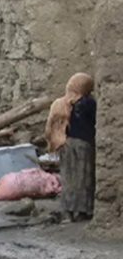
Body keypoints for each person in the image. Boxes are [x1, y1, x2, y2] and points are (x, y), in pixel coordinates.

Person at [45, 72, 97, 222]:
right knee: (83, 178)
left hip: (64, 145)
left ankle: (68, 212)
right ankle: (82, 211)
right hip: (83, 145)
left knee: (68, 178)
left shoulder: (60, 103)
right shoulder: (87, 103)